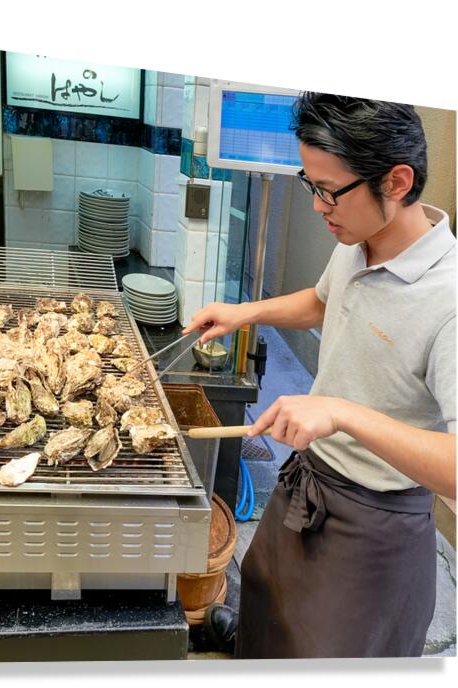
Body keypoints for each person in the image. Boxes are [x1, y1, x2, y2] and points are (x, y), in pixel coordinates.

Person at [184, 93, 455, 659]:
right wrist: (245, 313)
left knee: (318, 651)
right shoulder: (359, 240)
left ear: (397, 182)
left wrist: (343, 413)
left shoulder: (447, 301)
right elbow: (323, 301)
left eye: (328, 190)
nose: (318, 207)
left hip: (374, 525)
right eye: (312, 186)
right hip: (308, 480)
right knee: (261, 597)